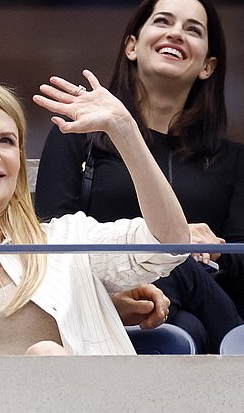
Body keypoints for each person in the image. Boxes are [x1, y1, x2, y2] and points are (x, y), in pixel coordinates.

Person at [0, 59, 189, 355]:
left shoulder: (68, 238)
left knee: (46, 353)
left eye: (6, 141)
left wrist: (125, 132)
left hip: (88, 403)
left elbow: (169, 243)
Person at [35, 0, 243, 353]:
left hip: (196, 298)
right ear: (132, 45)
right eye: (163, 21)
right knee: (166, 250)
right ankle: (233, 340)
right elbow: (50, 239)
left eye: (193, 29)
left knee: (178, 286)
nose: (176, 33)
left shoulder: (233, 160)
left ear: (208, 66)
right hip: (103, 301)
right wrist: (171, 236)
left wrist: (209, 250)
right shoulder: (78, 138)